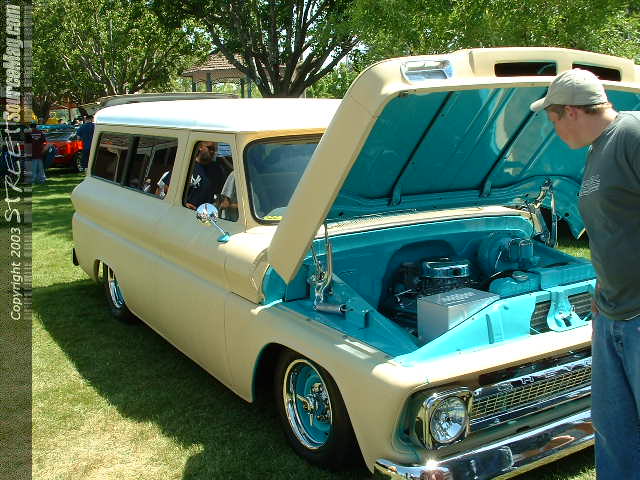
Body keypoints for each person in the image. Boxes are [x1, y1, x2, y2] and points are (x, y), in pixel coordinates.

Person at [530, 68, 640, 480]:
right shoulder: (598, 149)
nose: (553, 128)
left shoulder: (631, 134)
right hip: (611, 313)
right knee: (614, 431)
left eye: (552, 118)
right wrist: (602, 288)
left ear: (571, 112)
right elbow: (615, 228)